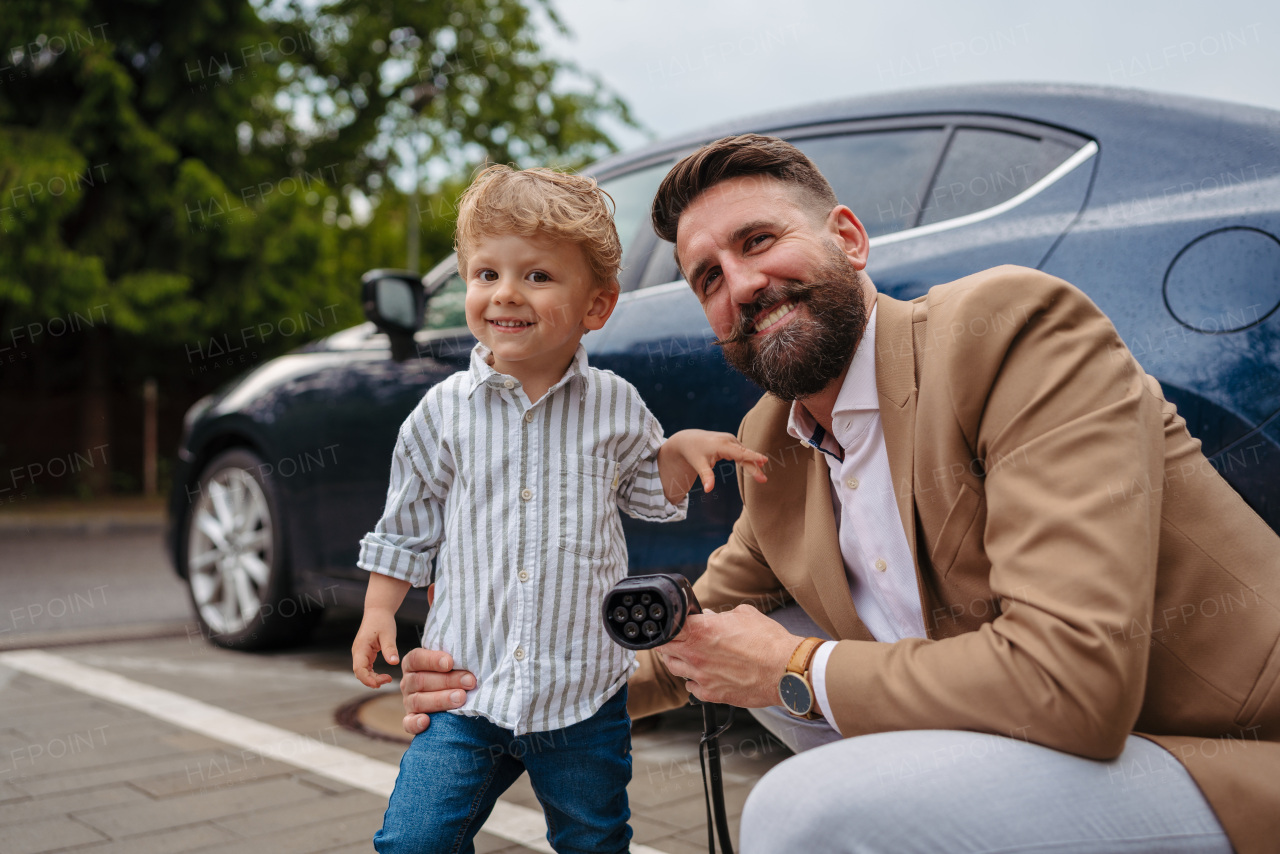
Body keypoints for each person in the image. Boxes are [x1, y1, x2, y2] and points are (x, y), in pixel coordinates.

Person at [395, 138, 1280, 854]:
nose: (739, 285)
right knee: (725, 644)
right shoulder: (776, 441)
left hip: (1223, 758)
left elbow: (1071, 680)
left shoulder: (1009, 331)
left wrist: (790, 670)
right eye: (707, 277)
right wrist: (489, 688)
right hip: (1056, 753)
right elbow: (675, 649)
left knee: (803, 806)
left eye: (758, 242)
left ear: (849, 240)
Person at [351, 163, 768, 854]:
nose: (506, 293)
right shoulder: (441, 414)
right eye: (486, 274)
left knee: (594, 840)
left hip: (584, 696)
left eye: (538, 276)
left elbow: (644, 492)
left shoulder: (614, 404)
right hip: (468, 694)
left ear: (596, 306)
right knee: (412, 842)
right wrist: (376, 614)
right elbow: (408, 524)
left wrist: (676, 452)